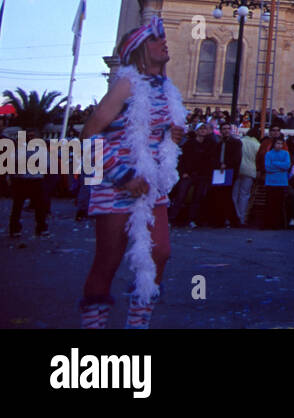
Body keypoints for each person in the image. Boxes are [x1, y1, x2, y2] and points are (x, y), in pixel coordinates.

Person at [78, 17, 187, 328]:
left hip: (152, 187)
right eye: (155, 39)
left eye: (163, 38)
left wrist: (172, 138)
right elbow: (89, 135)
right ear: (139, 49)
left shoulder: (168, 89)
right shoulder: (125, 85)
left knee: (160, 254)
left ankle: (137, 325)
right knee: (108, 261)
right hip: (116, 186)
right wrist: (123, 175)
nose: (164, 43)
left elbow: (158, 134)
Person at [170, 122, 216, 228]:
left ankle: (192, 219)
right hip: (189, 174)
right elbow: (182, 160)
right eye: (200, 129)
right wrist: (183, 172)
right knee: (180, 196)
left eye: (204, 129)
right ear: (196, 131)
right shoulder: (189, 144)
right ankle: (173, 218)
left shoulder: (210, 144)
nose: (202, 131)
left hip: (202, 175)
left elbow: (211, 160)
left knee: (197, 198)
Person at [206, 122, 242, 228]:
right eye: (224, 129)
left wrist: (226, 165)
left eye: (228, 128)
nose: (226, 131)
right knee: (218, 194)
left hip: (229, 171)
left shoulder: (236, 143)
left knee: (227, 194)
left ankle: (233, 219)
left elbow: (236, 158)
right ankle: (220, 219)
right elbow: (213, 157)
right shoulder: (218, 143)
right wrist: (218, 165)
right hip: (218, 171)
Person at [262, 137, 291, 230]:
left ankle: (279, 224)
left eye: (281, 143)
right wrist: (280, 167)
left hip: (282, 182)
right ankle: (269, 224)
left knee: (280, 204)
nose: (279, 145)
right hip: (271, 182)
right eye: (277, 143)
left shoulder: (286, 153)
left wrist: (274, 163)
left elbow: (287, 166)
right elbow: (267, 167)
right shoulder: (268, 154)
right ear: (274, 144)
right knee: (270, 204)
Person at [235, 126, 260, 224]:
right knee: (244, 195)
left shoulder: (240, 141)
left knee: (234, 194)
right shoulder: (257, 144)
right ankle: (242, 217)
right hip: (250, 171)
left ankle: (234, 215)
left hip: (238, 169)